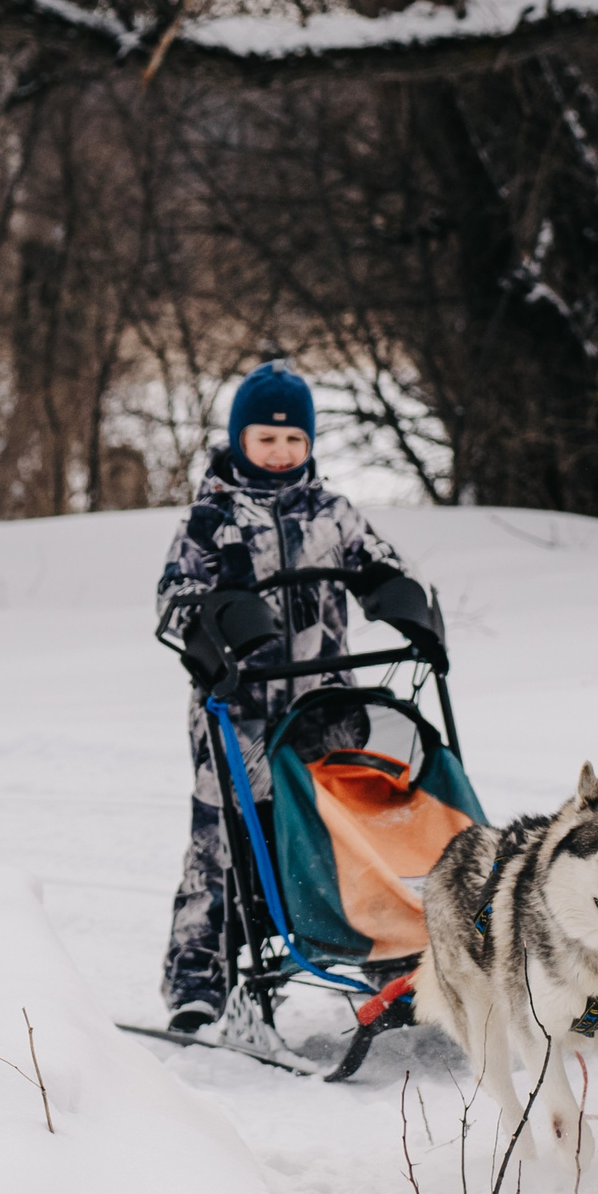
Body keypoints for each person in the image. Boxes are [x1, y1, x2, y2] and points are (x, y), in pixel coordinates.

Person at [153, 361, 441, 1035]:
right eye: (267, 439)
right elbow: (174, 601)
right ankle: (199, 977)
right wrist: (220, 621)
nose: (281, 452)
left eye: (294, 440)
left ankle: (386, 958)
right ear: (240, 440)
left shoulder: (333, 512)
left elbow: (380, 562)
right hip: (238, 712)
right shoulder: (211, 518)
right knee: (223, 843)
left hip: (323, 709)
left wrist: (401, 601)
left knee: (344, 832)